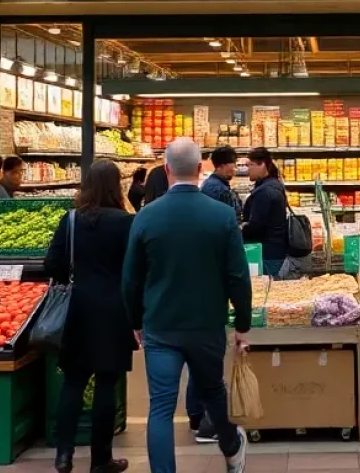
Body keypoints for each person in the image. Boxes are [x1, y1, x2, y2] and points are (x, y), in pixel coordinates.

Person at [124, 137, 250, 473]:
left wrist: (135, 321)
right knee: (213, 392)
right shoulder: (222, 216)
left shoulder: (146, 217)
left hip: (161, 326)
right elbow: (238, 276)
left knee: (161, 408)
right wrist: (242, 325)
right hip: (206, 324)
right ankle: (230, 445)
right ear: (200, 169)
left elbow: (130, 280)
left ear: (166, 170)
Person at [46, 161, 135, 473]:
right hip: (113, 311)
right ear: (116, 186)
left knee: (73, 382)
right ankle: (101, 460)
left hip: (78, 309)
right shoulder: (126, 222)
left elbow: (52, 263)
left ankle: (63, 455)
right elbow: (134, 270)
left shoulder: (70, 220)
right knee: (107, 386)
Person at [189, 145, 243, 444]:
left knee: (196, 359)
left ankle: (198, 415)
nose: (236, 168)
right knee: (205, 360)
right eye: (233, 164)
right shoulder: (216, 192)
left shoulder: (215, 188)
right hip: (208, 294)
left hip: (188, 303)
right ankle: (205, 421)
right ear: (221, 165)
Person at [241, 146, 289, 278]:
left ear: (262, 165)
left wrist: (241, 227)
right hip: (276, 250)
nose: (247, 170)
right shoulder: (274, 185)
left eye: (250, 165)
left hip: (266, 253)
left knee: (264, 288)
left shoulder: (264, 192)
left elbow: (256, 226)